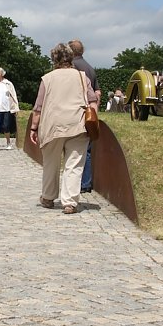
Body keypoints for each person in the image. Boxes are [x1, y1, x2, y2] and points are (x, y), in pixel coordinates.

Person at [30, 42, 98, 214]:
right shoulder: (82, 77)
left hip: (52, 125)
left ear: (54, 59)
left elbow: (38, 107)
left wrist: (33, 128)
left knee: (50, 163)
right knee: (74, 164)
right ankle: (69, 202)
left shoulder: (47, 78)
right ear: (71, 57)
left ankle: (48, 197)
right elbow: (92, 101)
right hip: (77, 123)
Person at [69, 39, 101, 194]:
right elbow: (98, 92)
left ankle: (79, 184)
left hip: (77, 112)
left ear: (70, 51)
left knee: (74, 152)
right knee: (87, 150)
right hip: (90, 112)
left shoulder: (73, 67)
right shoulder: (90, 67)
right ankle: (86, 183)